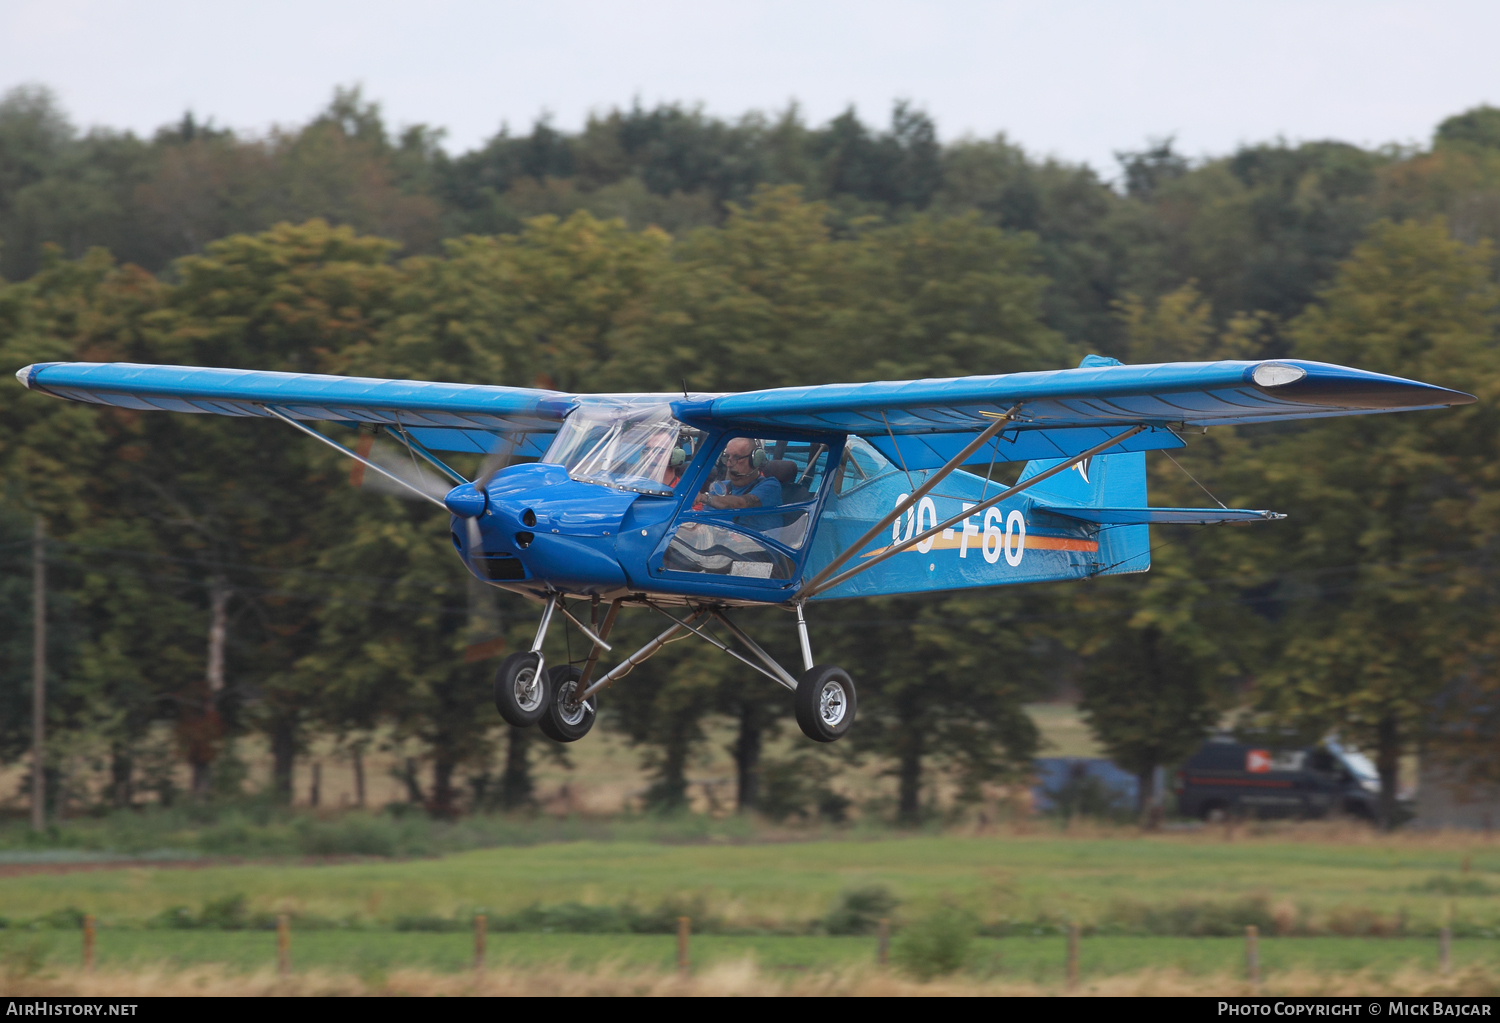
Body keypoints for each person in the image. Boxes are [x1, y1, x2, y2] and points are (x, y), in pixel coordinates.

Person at [702, 437, 780, 511]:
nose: (729, 465)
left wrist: (705, 498)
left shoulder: (771, 486)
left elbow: (741, 504)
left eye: (736, 457)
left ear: (755, 460)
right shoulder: (719, 488)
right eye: (727, 457)